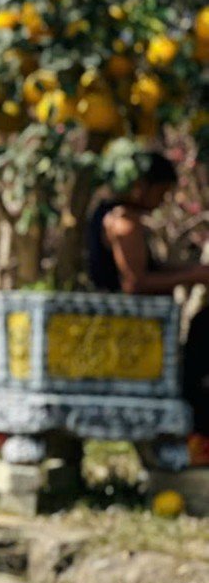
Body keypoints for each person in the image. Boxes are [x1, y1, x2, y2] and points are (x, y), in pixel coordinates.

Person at [88, 149, 209, 432]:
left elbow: (148, 268)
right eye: (162, 191)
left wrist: (190, 270)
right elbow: (135, 283)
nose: (162, 200)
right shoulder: (123, 222)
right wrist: (193, 275)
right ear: (140, 187)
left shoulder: (114, 215)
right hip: (128, 329)